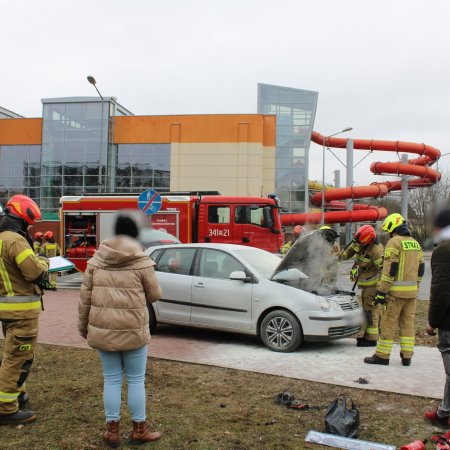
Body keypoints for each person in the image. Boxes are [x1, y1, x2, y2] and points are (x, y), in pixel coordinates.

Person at [78, 213, 162, 447]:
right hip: (134, 330)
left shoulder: (96, 260)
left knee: (111, 380)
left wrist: (83, 327)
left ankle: (112, 431)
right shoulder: (141, 260)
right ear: (135, 233)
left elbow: (84, 298)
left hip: (103, 331)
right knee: (136, 380)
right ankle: (139, 430)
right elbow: (155, 294)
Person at [0, 194, 49, 425]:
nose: (30, 228)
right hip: (22, 313)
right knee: (16, 358)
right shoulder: (15, 240)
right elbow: (35, 272)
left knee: (19, 355)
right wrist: (46, 263)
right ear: (22, 218)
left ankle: (17, 394)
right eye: (29, 224)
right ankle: (6, 409)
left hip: (8, 310)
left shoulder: (1, 237)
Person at [364, 213, 424, 366]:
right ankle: (407, 356)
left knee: (388, 323)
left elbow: (390, 270)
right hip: (411, 294)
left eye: (389, 231)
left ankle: (382, 356)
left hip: (395, 295)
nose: (389, 234)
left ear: (393, 228)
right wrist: (415, 288)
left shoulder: (394, 242)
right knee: (408, 324)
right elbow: (421, 270)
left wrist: (381, 291)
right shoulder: (415, 243)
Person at [424, 208, 450, 428]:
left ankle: (446, 415)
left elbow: (440, 291)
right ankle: (444, 412)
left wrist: (432, 321)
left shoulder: (444, 251)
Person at [340, 225, 384, 347]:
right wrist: (336, 256)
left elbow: (383, 270)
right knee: (366, 311)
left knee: (371, 311)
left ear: (369, 241)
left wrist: (381, 289)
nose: (359, 245)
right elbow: (346, 254)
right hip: (365, 285)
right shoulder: (360, 243)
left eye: (361, 244)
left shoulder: (376, 251)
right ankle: (367, 335)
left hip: (374, 286)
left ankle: (372, 339)